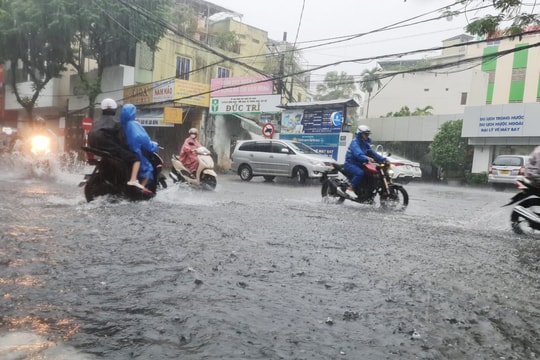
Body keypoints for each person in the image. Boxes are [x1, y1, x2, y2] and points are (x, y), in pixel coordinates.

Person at [88, 98, 144, 191]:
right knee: (135, 158)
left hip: (97, 149)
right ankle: (133, 181)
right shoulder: (117, 123)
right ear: (114, 110)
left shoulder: (96, 123)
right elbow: (123, 141)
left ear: (102, 110)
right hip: (112, 150)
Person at [120, 103, 158, 189]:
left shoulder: (121, 125)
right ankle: (142, 188)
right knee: (148, 168)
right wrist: (154, 145)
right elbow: (144, 140)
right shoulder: (134, 124)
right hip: (136, 151)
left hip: (123, 152)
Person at [343, 125, 387, 198]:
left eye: (368, 134)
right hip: (350, 164)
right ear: (360, 134)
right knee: (360, 173)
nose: (367, 136)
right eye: (365, 134)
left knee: (371, 174)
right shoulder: (354, 142)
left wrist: (383, 159)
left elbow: (373, 153)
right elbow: (358, 154)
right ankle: (350, 189)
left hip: (360, 164)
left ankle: (367, 191)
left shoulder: (366, 144)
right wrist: (367, 158)